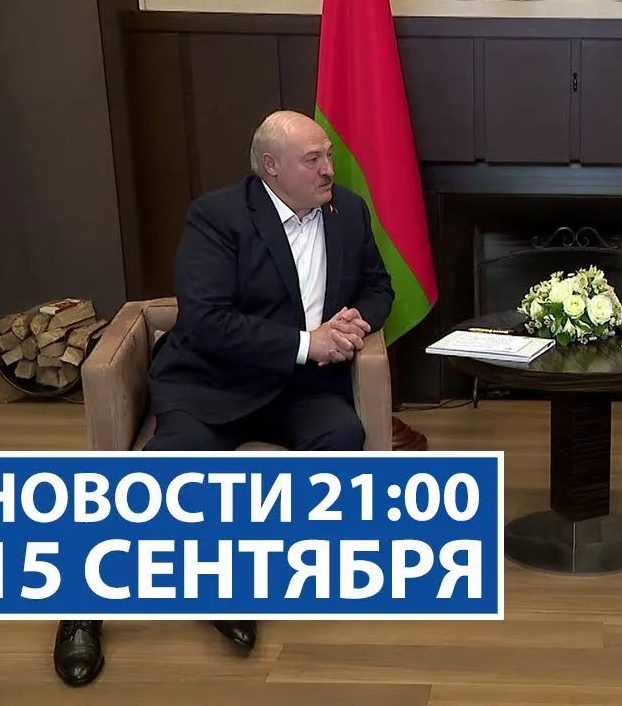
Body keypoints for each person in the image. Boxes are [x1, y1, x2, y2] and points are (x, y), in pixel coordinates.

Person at [51, 110, 395, 687]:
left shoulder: (349, 212)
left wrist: (355, 320)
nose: (328, 170)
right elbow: (208, 322)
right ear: (271, 167)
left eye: (328, 156)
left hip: (297, 389)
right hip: (213, 381)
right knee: (164, 471)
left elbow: (378, 286)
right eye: (313, 159)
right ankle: (79, 608)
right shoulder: (218, 216)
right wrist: (307, 343)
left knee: (341, 435)